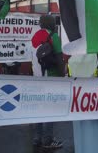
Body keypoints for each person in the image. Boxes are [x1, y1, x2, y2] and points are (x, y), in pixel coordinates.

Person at [31, 14, 63, 149]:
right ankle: (48, 140)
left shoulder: (34, 36)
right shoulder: (53, 36)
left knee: (39, 108)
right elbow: (60, 58)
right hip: (51, 77)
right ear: (50, 24)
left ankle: (37, 138)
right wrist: (63, 76)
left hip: (36, 77)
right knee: (50, 109)